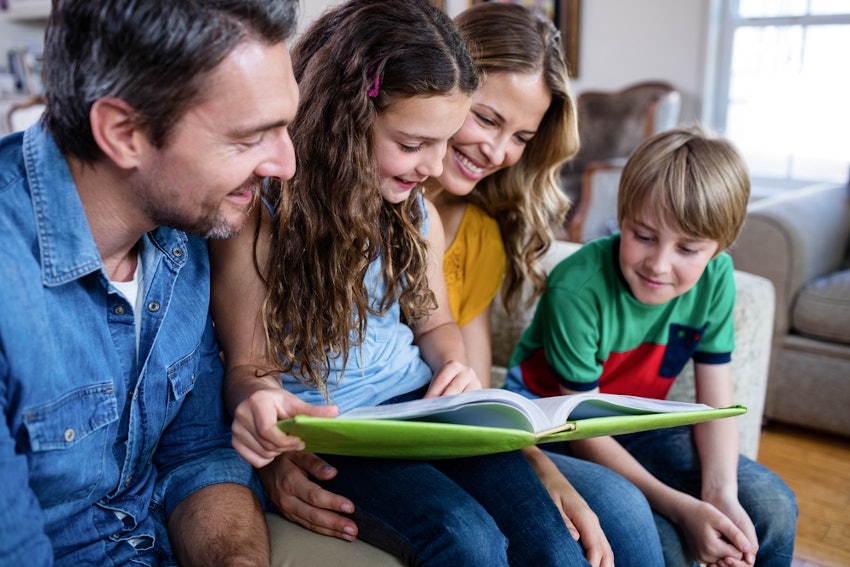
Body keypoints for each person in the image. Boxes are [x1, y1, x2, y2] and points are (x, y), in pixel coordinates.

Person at [210, 1, 594, 564]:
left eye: (442, 142)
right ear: (346, 121)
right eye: (413, 145)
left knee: (551, 539)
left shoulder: (415, 215)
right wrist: (260, 403)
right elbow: (247, 366)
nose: (434, 168)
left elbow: (434, 321)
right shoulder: (259, 217)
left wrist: (453, 365)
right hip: (338, 431)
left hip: (422, 409)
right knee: (466, 538)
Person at [0, 0, 337, 565]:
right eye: (251, 136)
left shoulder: (183, 233)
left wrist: (236, 560)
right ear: (123, 131)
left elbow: (197, 453)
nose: (286, 164)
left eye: (285, 126)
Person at [422, 3, 663, 565]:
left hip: (454, 433)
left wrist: (537, 464)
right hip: (386, 431)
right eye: (486, 118)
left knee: (619, 512)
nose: (498, 152)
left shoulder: (479, 232)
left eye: (521, 136)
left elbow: (476, 392)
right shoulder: (362, 205)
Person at [504, 125, 798, 566]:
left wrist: (720, 495)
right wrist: (685, 507)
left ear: (719, 248)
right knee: (668, 544)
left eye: (688, 248)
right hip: (557, 433)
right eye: (643, 236)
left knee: (772, 509)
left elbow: (714, 405)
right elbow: (585, 432)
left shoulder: (718, 279)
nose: (659, 265)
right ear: (622, 218)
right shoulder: (577, 288)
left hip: (636, 426)